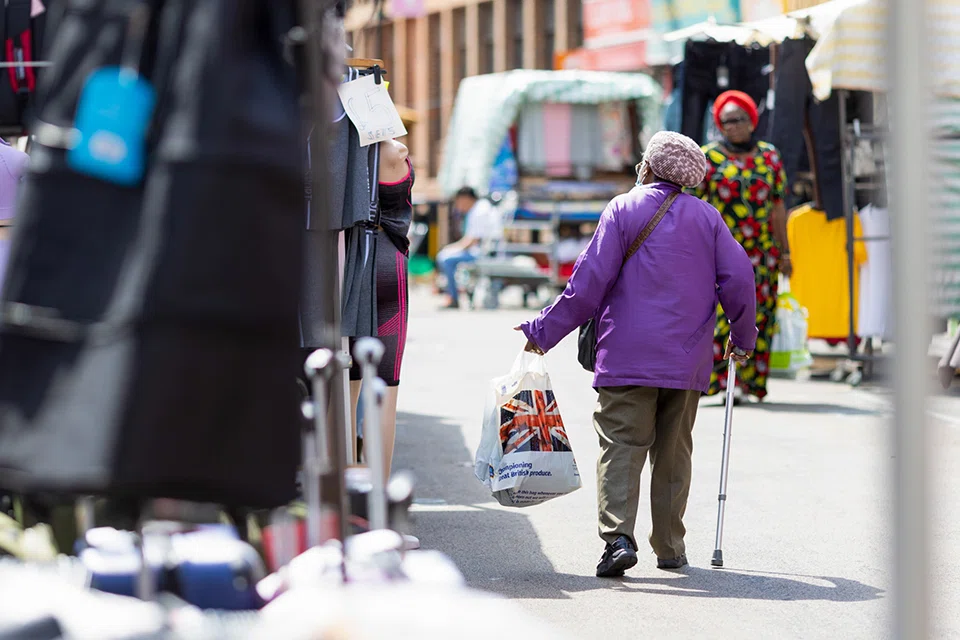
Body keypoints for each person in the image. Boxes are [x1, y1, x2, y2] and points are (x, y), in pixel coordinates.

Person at [515, 131, 758, 577]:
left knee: (622, 445)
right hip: (687, 360)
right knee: (673, 450)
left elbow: (586, 285)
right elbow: (741, 279)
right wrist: (743, 339)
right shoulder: (708, 219)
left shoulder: (624, 208)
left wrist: (542, 332)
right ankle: (670, 547)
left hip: (626, 356)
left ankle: (618, 540)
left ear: (647, 167)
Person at [691, 90, 792, 403]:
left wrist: (785, 251)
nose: (732, 126)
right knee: (721, 314)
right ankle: (722, 382)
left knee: (760, 315)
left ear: (752, 120)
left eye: (738, 119)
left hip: (763, 252)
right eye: (725, 121)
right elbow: (694, 207)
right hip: (721, 251)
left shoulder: (770, 156)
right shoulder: (709, 158)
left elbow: (778, 207)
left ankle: (751, 384)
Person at [348, 138, 414, 480]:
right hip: (386, 263)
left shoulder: (326, 139)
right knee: (385, 386)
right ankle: (377, 497)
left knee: (344, 381)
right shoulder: (392, 151)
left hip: (343, 261)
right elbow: (397, 151)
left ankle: (345, 488)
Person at [435, 187, 502, 309]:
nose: (458, 206)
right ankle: (454, 294)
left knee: (445, 258)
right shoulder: (480, 207)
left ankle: (453, 298)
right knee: (446, 255)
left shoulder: (480, 210)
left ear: (465, 198)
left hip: (484, 253)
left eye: (458, 201)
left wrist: (449, 248)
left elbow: (472, 241)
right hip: (485, 250)